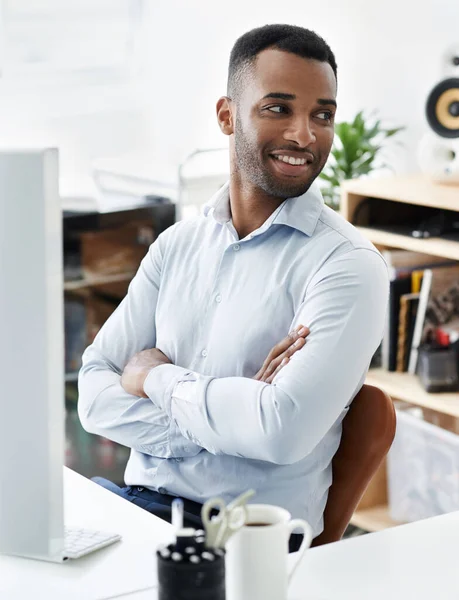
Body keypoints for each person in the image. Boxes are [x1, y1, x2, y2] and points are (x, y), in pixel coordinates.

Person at [78, 23, 389, 551]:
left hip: (249, 537)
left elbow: (280, 433)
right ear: (227, 115)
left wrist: (155, 378)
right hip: (135, 509)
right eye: (278, 108)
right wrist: (227, 417)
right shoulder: (176, 247)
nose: (304, 135)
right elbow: (92, 395)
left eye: (323, 114)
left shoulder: (348, 265)